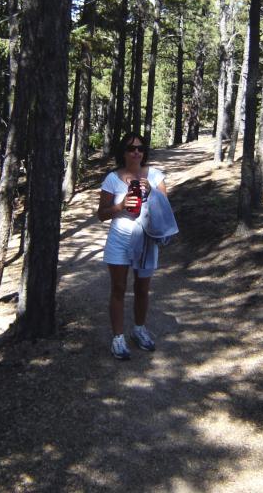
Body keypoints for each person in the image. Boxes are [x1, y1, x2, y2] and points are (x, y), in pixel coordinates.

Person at [97, 132, 168, 360]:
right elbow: (101, 214)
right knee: (118, 288)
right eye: (130, 148)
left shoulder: (155, 176)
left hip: (146, 240)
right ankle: (118, 338)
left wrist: (152, 192)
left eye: (140, 148)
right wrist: (120, 206)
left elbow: (165, 210)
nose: (136, 152)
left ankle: (139, 329)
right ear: (123, 153)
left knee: (142, 288)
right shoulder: (112, 179)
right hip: (119, 239)